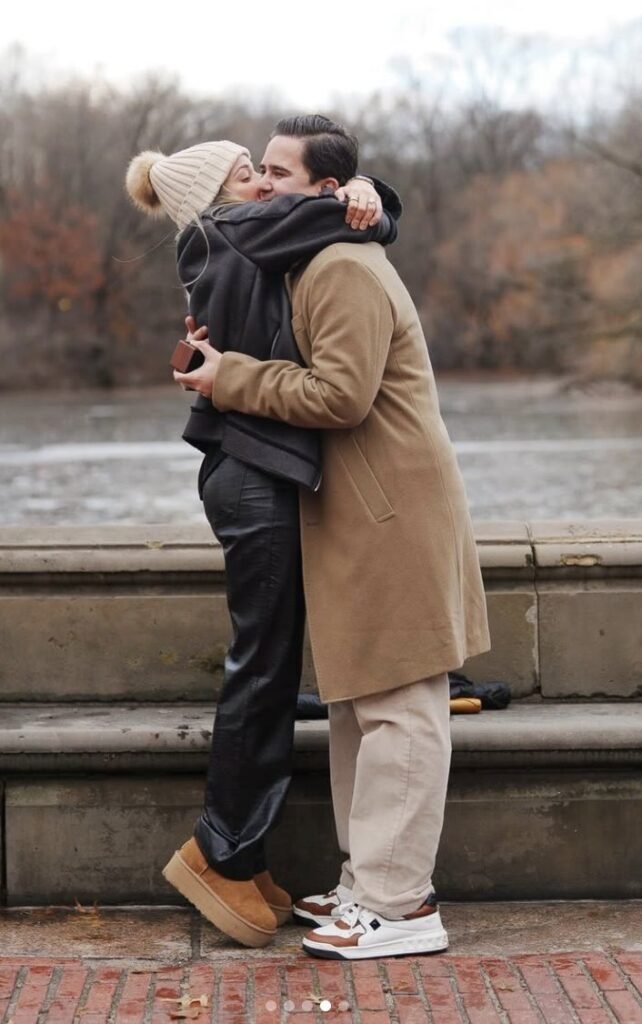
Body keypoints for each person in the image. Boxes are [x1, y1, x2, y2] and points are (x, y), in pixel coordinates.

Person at [174, 114, 491, 961]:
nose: (261, 182)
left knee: (402, 708)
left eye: (277, 172)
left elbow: (341, 398)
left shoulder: (343, 265)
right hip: (360, 511)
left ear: (325, 189)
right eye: (258, 168)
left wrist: (230, 379)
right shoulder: (310, 255)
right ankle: (367, 882)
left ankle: (402, 904)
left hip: (392, 510)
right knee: (360, 703)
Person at [125, 127, 401, 949]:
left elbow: (340, 214)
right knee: (262, 669)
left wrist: (367, 195)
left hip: (249, 469)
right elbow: (344, 215)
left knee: (270, 667)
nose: (265, 184)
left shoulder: (236, 240)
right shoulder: (234, 230)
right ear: (218, 196)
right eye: (250, 173)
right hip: (252, 472)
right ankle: (222, 853)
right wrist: (370, 196)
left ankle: (239, 854)